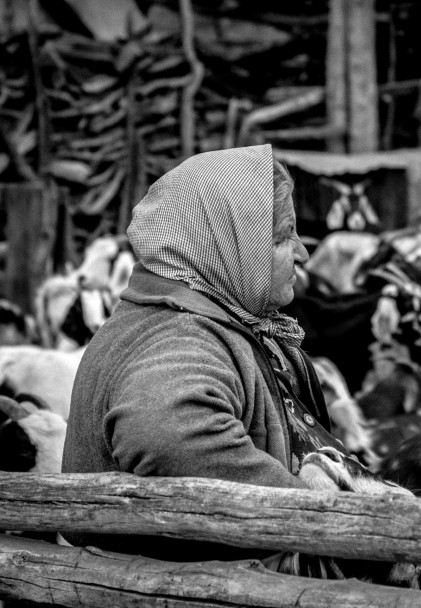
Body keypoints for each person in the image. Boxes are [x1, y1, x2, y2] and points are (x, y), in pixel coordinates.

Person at [61, 144, 347, 562]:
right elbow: (163, 430)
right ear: (232, 244)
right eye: (284, 235)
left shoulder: (206, 320)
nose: (303, 252)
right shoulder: (180, 334)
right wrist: (320, 519)